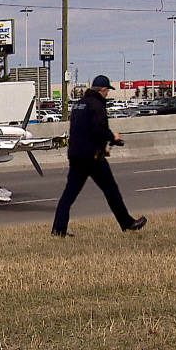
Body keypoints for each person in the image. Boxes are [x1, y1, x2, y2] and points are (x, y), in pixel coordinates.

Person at [51, 75, 147, 237]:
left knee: (68, 195)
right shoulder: (97, 105)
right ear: (103, 90)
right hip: (93, 158)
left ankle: (58, 230)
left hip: (76, 156)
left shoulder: (78, 105)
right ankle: (127, 223)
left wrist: (102, 146)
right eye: (107, 91)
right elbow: (98, 129)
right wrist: (112, 138)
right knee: (111, 190)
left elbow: (81, 132)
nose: (107, 94)